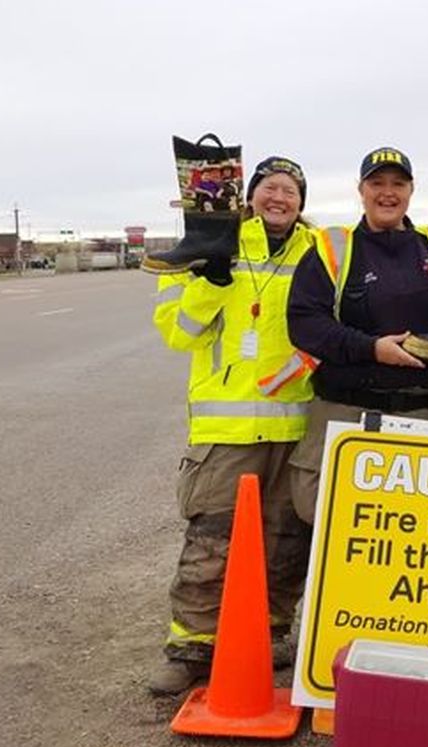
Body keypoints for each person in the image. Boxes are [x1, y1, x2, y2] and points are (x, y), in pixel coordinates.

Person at [149, 156, 316, 696]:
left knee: (286, 540)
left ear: (301, 202)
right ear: (250, 195)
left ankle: (268, 635)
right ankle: (192, 648)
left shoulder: (318, 251)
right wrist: (211, 280)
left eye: (290, 190)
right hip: (226, 433)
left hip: (294, 427)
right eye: (270, 186)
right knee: (210, 542)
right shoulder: (208, 241)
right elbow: (181, 334)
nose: (279, 197)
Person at [285, 146, 428, 522]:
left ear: (412, 190)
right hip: (349, 419)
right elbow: (305, 324)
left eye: (398, 183)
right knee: (337, 533)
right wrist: (372, 348)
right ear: (360, 189)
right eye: (377, 183)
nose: (387, 192)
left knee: (424, 536)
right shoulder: (333, 247)